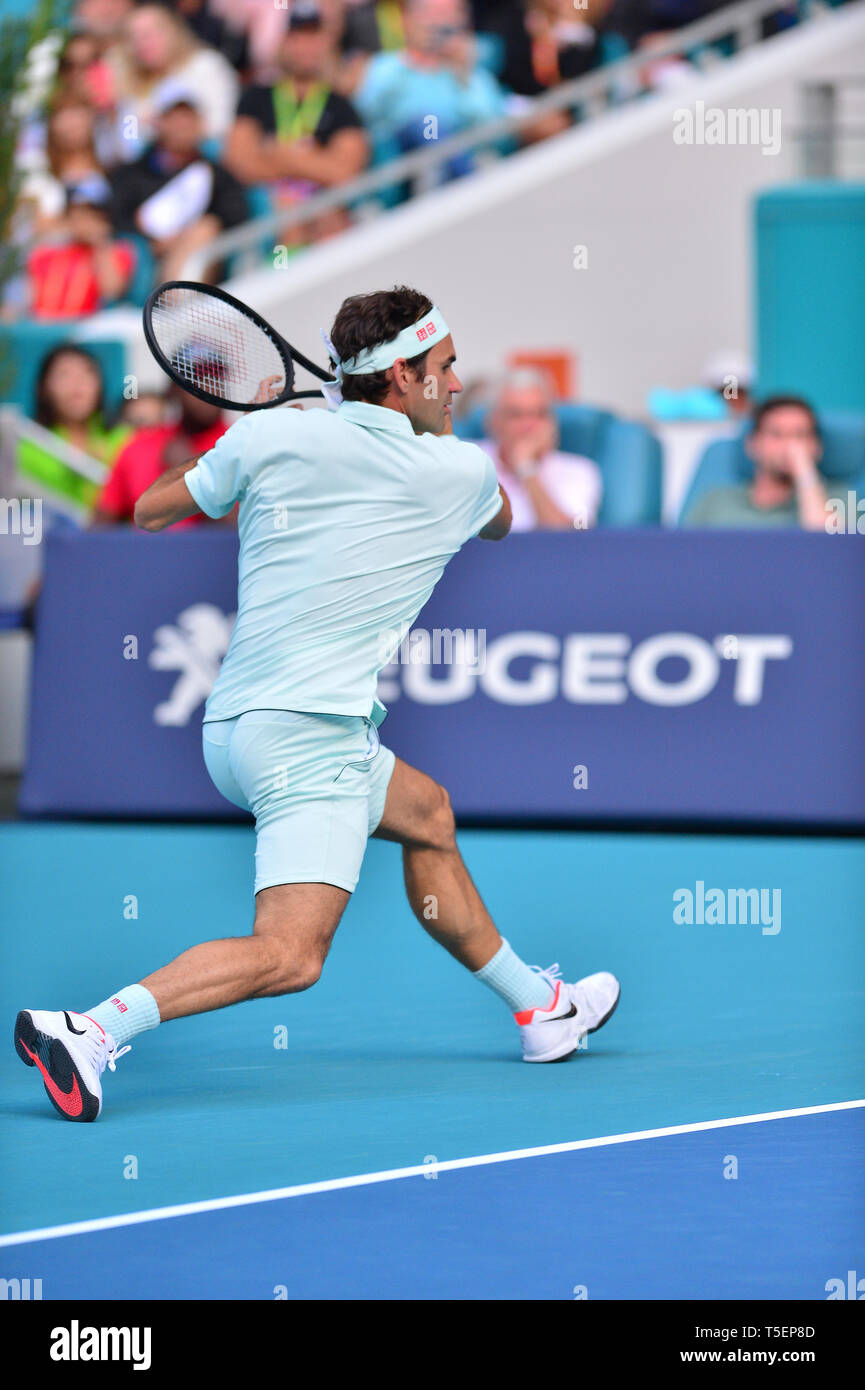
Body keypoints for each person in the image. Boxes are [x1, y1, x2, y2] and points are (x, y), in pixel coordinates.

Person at [15, 284, 619, 1121]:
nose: (456, 384)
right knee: (291, 955)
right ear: (401, 377)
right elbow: (500, 521)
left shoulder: (271, 433)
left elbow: (150, 510)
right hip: (311, 742)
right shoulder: (458, 472)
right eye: (444, 368)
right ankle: (89, 1031)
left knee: (427, 815)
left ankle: (539, 1009)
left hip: (234, 731)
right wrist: (377, 437)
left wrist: (254, 436)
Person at [224, 1, 368, 246]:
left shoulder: (340, 106)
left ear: (326, 43)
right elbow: (240, 163)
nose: (305, 47)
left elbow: (345, 173)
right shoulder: (256, 97)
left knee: (328, 214)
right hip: (271, 207)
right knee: (287, 213)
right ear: (283, 42)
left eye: (313, 38)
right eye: (297, 38)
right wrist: (314, 160)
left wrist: (281, 154)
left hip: (320, 207)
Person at [351, 0, 508, 180]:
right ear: (407, 20)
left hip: (465, 159)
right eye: (430, 13)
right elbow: (365, 117)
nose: (439, 23)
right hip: (404, 165)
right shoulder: (384, 68)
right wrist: (409, 63)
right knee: (428, 123)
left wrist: (464, 76)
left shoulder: (473, 71)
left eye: (448, 14)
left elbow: (497, 133)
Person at [109, 92, 248, 281]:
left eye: (189, 117)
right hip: (147, 260)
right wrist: (152, 240)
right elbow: (116, 218)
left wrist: (182, 236)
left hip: (200, 261)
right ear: (160, 123)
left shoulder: (217, 175)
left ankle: (177, 296)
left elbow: (235, 217)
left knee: (205, 229)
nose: (182, 125)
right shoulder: (132, 173)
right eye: (174, 118)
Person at [91, 377, 227, 528]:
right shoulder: (138, 446)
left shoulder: (239, 445)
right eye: (198, 380)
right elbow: (100, 525)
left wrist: (192, 473)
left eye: (217, 379)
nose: (210, 389)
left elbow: (238, 527)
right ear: (174, 388)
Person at [682, 395, 831, 530]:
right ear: (753, 444)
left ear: (817, 447)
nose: (790, 446)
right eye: (777, 434)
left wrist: (804, 472)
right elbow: (684, 549)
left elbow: (825, 543)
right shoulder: (715, 502)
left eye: (800, 435)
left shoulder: (834, 501)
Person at [477, 370, 603, 530]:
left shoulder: (581, 471)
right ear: (493, 422)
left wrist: (527, 468)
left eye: (540, 414)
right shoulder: (466, 462)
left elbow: (570, 537)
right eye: (516, 415)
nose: (529, 425)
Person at [16, 345, 132, 510]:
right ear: (43, 387)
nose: (76, 384)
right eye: (64, 374)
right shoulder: (27, 446)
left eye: (86, 373)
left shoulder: (125, 439)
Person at [26, 177, 136, 319]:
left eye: (93, 216)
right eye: (79, 215)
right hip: (43, 325)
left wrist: (100, 243)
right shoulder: (45, 253)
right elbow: (30, 301)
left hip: (86, 326)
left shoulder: (117, 251)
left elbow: (112, 291)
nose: (85, 222)